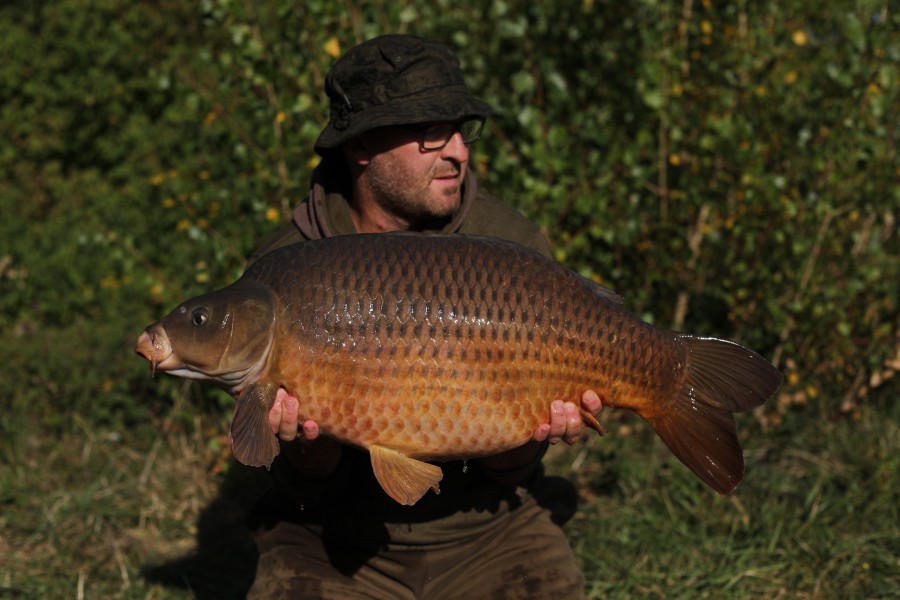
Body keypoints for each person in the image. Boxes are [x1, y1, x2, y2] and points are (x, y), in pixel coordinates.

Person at [245, 34, 603, 599]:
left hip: (491, 528)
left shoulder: (510, 243)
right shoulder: (284, 270)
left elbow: (509, 473)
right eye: (433, 131)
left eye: (463, 129)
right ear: (362, 146)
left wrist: (529, 434)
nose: (459, 151)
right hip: (329, 536)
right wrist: (307, 445)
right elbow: (301, 484)